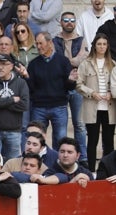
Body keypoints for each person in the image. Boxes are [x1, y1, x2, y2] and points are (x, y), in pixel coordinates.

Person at [22, 32, 74, 150]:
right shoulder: (34, 64)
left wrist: (71, 81)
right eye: (37, 44)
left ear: (50, 43)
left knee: (60, 139)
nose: (38, 46)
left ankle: (57, 165)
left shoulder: (63, 61)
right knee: (36, 139)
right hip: (39, 107)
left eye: (41, 43)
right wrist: (26, 76)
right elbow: (31, 88)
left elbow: (70, 87)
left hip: (59, 106)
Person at [76, 32, 116, 171]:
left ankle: (108, 170)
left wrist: (112, 93)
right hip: (92, 107)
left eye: (104, 44)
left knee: (109, 142)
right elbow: (78, 84)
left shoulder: (113, 64)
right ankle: (91, 171)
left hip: (109, 108)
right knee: (92, 141)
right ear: (94, 46)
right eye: (99, 44)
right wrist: (92, 93)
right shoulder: (85, 64)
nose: (102, 47)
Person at [54, 12, 89, 166]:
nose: (69, 23)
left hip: (77, 87)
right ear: (60, 22)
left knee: (79, 124)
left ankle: (83, 158)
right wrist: (71, 63)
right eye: (66, 20)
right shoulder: (55, 40)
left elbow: (83, 58)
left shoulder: (81, 40)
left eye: (72, 20)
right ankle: (59, 157)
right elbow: (55, 59)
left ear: (75, 23)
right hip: (60, 87)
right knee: (60, 126)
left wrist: (65, 63)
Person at [0, 53, 29, 160]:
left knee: (13, 164)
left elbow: (24, 105)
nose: (0, 67)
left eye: (4, 64)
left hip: (14, 131)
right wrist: (12, 99)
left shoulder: (21, 83)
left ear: (12, 66)